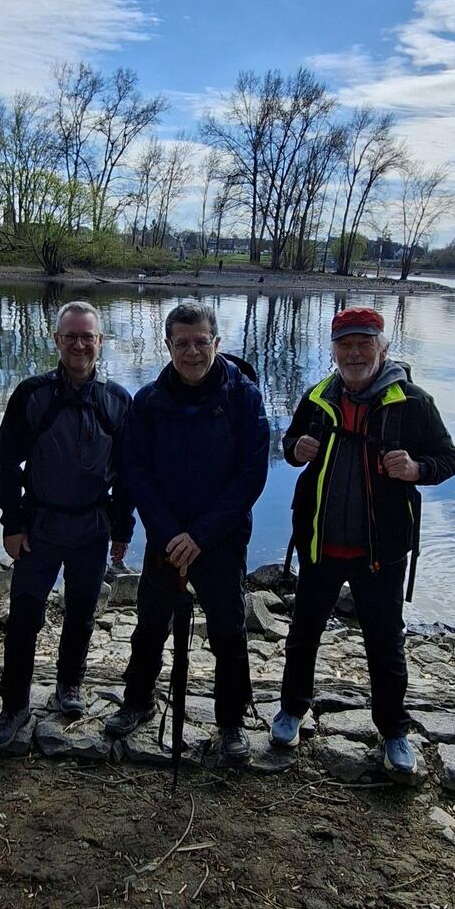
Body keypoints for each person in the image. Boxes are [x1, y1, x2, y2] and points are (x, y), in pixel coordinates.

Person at [271, 307, 455, 775]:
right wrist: (295, 449)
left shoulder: (412, 402)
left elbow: (448, 459)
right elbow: (289, 444)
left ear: (382, 348)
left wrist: (416, 469)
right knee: (303, 634)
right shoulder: (318, 397)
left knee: (385, 642)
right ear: (333, 350)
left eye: (364, 343)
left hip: (382, 550)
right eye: (345, 344)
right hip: (320, 544)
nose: (354, 353)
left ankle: (394, 731)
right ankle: (292, 711)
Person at [105, 301, 269, 764]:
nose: (192, 352)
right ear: (168, 345)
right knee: (150, 623)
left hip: (221, 537)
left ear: (216, 342)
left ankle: (231, 721)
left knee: (228, 630)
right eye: (182, 343)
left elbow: (251, 476)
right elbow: (136, 472)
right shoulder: (148, 401)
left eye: (201, 342)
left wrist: (200, 536)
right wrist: (167, 532)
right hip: (167, 537)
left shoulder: (244, 398)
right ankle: (138, 700)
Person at [0, 301, 133, 748]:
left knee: (82, 612)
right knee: (24, 617)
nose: (79, 344)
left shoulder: (117, 401)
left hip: (93, 527)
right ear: (56, 340)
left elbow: (129, 474)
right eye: (70, 336)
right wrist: (12, 523)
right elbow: (6, 462)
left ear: (100, 341)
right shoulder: (33, 395)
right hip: (40, 526)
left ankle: (69, 684)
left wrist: (123, 529)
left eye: (87, 336)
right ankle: (14, 704)